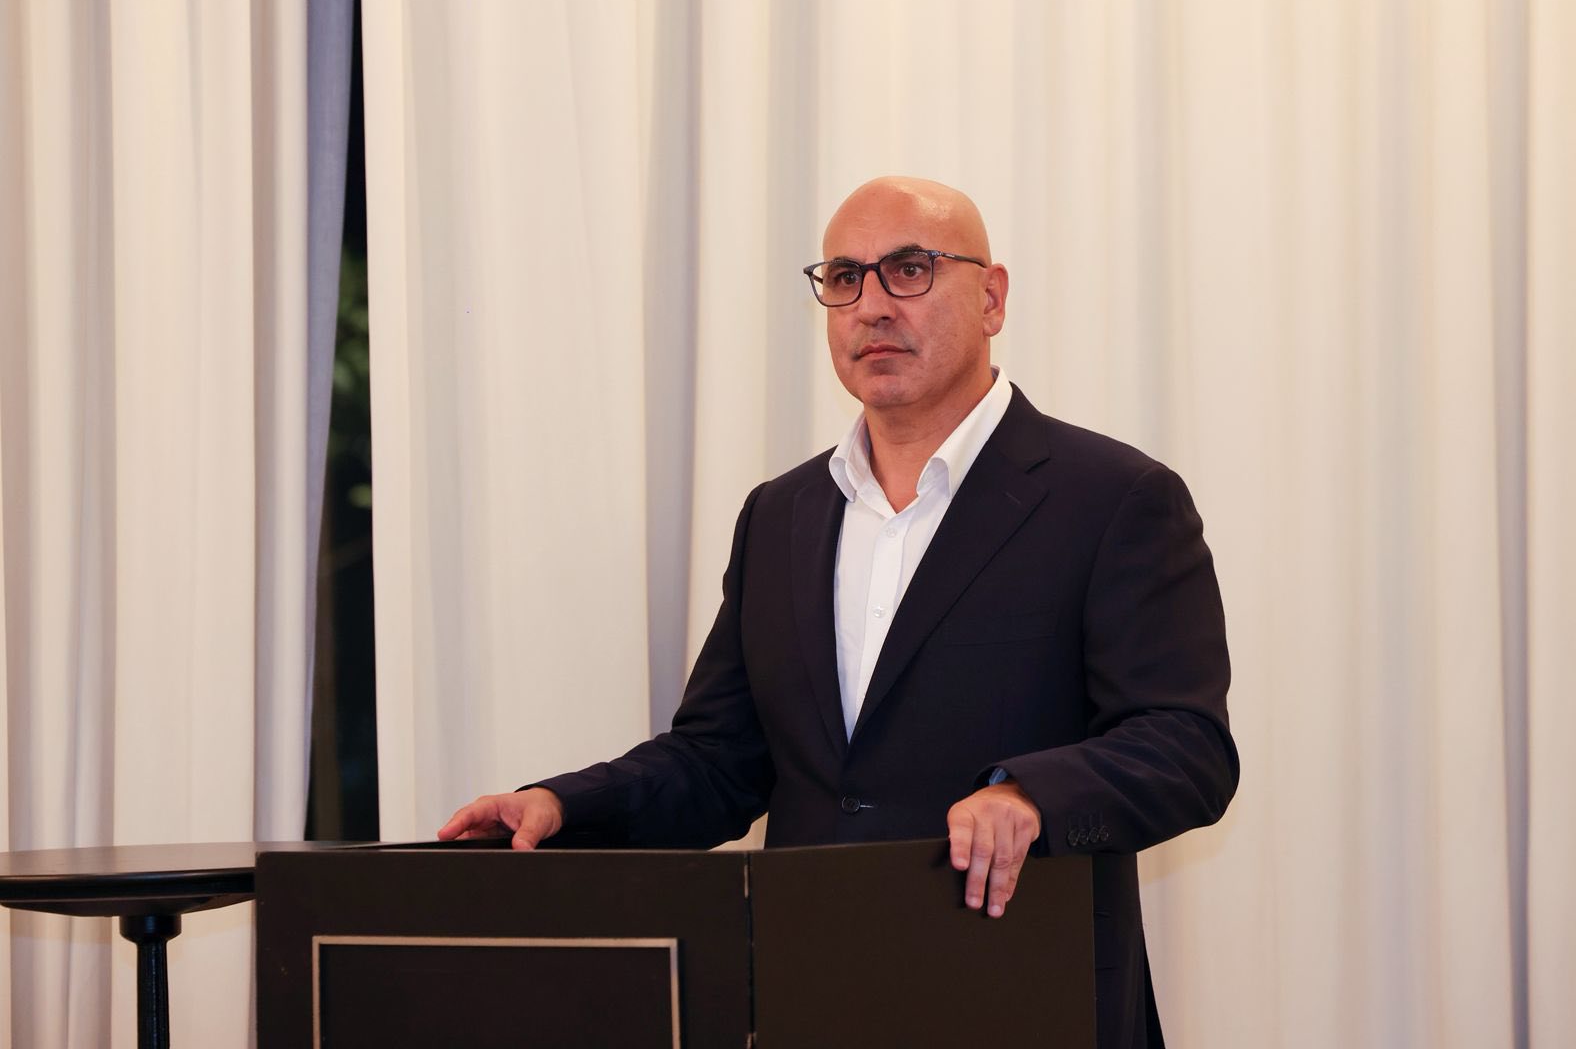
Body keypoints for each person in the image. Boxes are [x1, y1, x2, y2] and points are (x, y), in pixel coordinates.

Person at [440, 176, 1238, 1048]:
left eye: (910, 269)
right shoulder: (780, 515)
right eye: (846, 278)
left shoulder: (1115, 499)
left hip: (1027, 995)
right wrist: (564, 806)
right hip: (808, 994)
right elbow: (719, 761)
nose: (872, 306)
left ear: (992, 298)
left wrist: (1033, 796)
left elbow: (1186, 747)